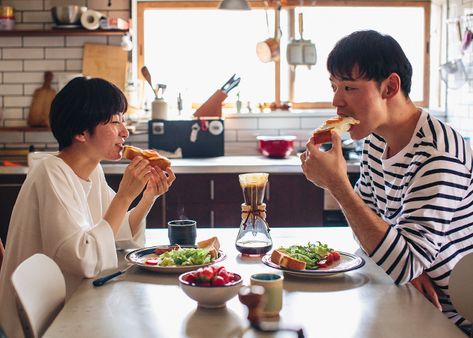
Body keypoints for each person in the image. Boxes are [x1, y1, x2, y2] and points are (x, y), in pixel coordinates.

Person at [300, 30, 473, 333]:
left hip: (453, 320)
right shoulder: (377, 141)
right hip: (410, 299)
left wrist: (338, 185)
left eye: (350, 87)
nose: (336, 101)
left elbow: (400, 259)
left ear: (390, 86)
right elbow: (369, 233)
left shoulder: (437, 155)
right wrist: (405, 264)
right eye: (334, 86)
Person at [0, 77, 176, 338]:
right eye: (115, 122)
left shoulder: (93, 171)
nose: (125, 133)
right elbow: (83, 259)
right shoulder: (51, 174)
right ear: (81, 133)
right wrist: (124, 197)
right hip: (40, 320)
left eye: (123, 121)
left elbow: (116, 234)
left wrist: (148, 195)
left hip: (74, 301)